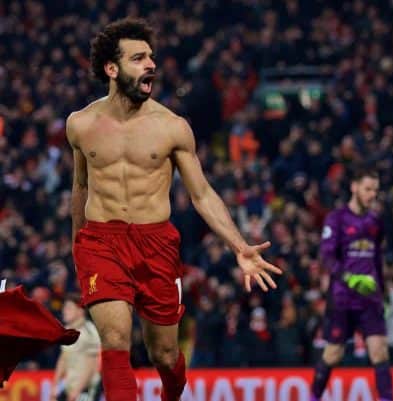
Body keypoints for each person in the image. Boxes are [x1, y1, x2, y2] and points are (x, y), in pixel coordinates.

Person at [68, 18, 282, 401]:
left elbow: (201, 194)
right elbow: (80, 187)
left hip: (155, 244)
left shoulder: (172, 127)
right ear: (111, 69)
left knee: (165, 355)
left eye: (151, 56)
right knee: (115, 339)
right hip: (101, 241)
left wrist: (239, 246)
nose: (151, 64)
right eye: (139, 58)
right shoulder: (80, 124)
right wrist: (77, 246)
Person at [310, 167, 393, 401]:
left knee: (379, 351)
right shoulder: (336, 218)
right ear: (354, 187)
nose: (372, 195)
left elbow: (377, 259)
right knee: (333, 354)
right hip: (342, 298)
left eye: (375, 191)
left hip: (370, 299)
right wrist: (350, 278)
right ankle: (313, 396)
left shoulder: (375, 221)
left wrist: (382, 291)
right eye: (367, 189)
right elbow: (326, 256)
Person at [51, 293, 102, 401]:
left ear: (80, 311)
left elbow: (92, 365)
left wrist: (77, 391)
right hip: (70, 386)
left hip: (87, 388)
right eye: (64, 307)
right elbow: (63, 358)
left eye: (69, 308)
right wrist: (54, 385)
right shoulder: (67, 330)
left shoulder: (89, 332)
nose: (64, 311)